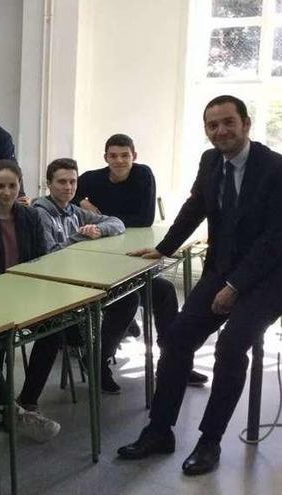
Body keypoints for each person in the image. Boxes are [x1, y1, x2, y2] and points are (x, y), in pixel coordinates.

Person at [117, 95, 282, 475]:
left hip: (274, 275)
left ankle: (209, 441)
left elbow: (276, 239)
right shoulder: (210, 161)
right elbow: (196, 206)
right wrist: (163, 249)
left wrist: (236, 286)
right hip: (226, 268)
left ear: (246, 124)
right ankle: (159, 432)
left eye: (228, 122)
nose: (220, 131)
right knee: (176, 338)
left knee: (231, 346)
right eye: (212, 125)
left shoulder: (278, 169)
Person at [76, 133, 207, 386]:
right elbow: (72, 192)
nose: (119, 161)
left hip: (128, 254)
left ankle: (171, 363)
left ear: (134, 156)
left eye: (125, 155)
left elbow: (144, 219)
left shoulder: (143, 174)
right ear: (105, 158)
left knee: (166, 291)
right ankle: (97, 361)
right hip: (97, 259)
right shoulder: (93, 178)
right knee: (128, 298)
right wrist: (82, 201)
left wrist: (105, 219)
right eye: (113, 156)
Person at [0, 160, 61, 443]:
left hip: (27, 294)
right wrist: (10, 281)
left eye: (12, 186)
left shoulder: (30, 217)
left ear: (20, 186)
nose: (6, 192)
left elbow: (40, 257)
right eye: (0, 186)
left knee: (53, 330)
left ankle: (28, 399)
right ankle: (0, 407)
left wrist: (25, 283)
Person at [34, 158, 137, 394]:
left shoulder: (75, 211)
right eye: (61, 182)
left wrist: (98, 230)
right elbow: (50, 256)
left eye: (73, 182)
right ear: (48, 184)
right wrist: (80, 238)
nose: (68, 187)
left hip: (84, 278)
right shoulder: (41, 213)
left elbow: (118, 223)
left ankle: (97, 357)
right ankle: (96, 359)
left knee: (130, 297)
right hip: (57, 285)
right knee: (122, 301)